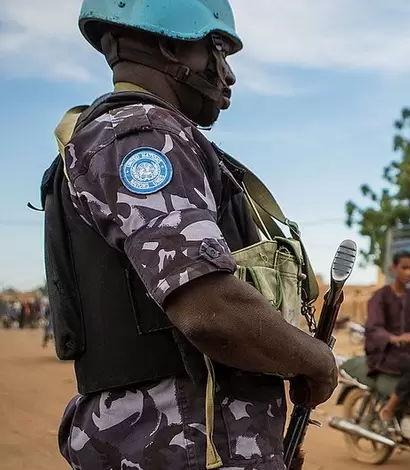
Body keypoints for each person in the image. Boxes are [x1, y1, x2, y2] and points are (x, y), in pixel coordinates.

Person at [42, 1, 336, 468]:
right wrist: (317, 361)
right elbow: (210, 308)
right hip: (176, 444)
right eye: (219, 51)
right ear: (170, 43)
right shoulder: (142, 135)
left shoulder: (138, 134)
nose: (229, 76)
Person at [364, 250, 410, 421]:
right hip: (385, 353)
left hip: (406, 351)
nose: (409, 272)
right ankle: (389, 409)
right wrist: (394, 338)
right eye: (404, 268)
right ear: (394, 268)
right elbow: (373, 328)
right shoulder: (380, 296)